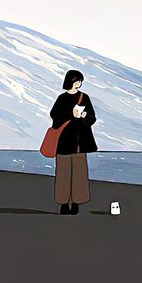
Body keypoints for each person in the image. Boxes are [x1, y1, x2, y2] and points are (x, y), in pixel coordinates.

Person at [50, 68, 98, 214]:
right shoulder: (62, 98)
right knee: (64, 173)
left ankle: (76, 202)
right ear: (70, 81)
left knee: (79, 173)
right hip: (64, 141)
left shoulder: (84, 97)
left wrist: (83, 115)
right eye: (77, 81)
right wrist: (70, 114)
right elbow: (54, 115)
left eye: (80, 81)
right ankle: (64, 203)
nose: (79, 84)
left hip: (79, 142)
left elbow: (92, 119)